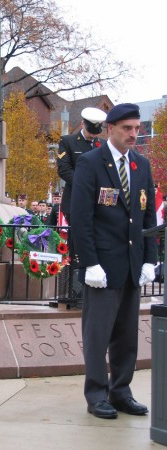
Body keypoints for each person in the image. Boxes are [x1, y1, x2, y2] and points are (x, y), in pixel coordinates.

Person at [70, 103, 157, 419]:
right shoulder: (91, 163)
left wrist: (150, 258)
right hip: (102, 268)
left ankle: (121, 391)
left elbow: (147, 216)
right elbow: (81, 217)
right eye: (127, 128)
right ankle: (96, 394)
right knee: (98, 335)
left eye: (136, 128)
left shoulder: (141, 165)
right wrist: (88, 262)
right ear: (110, 128)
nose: (134, 134)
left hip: (132, 265)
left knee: (126, 336)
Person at [57, 107, 107, 224]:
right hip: (76, 198)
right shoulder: (68, 141)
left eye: (96, 132)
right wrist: (85, 185)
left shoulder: (104, 145)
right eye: (90, 131)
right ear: (82, 123)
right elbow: (64, 169)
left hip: (99, 203)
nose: (93, 135)